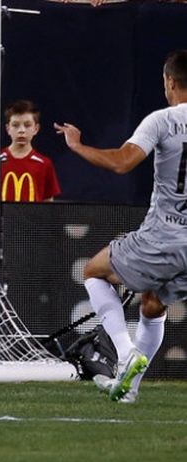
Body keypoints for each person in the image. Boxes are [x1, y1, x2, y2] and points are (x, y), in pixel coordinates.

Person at [55, 49, 187, 403]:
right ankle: (129, 391)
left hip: (164, 234)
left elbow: (122, 163)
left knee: (94, 272)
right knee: (153, 304)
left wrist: (78, 146)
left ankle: (126, 352)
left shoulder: (162, 120)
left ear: (169, 82)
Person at [0, 100, 61, 202]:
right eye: (15, 125)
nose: (21, 130)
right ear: (8, 129)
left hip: (32, 218)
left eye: (27, 125)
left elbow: (48, 203)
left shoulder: (44, 164)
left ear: (36, 129)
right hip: (0, 218)